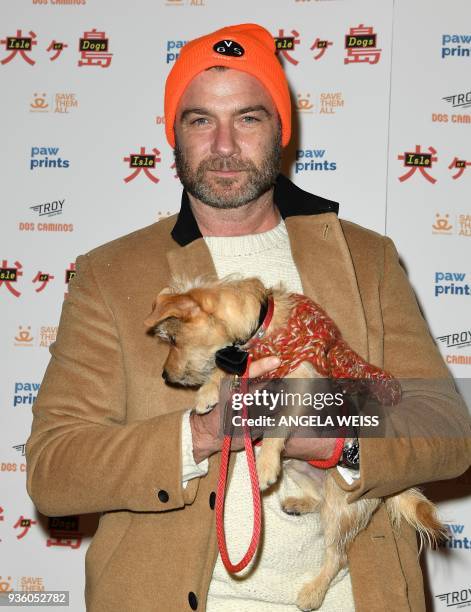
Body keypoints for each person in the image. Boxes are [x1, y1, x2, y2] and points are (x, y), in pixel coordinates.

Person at [26, 23, 470, 612]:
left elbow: (446, 426)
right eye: (201, 119)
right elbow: (55, 471)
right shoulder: (109, 275)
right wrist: (202, 434)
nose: (226, 145)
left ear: (282, 128)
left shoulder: (367, 258)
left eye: (249, 118)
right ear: (174, 134)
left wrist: (334, 439)